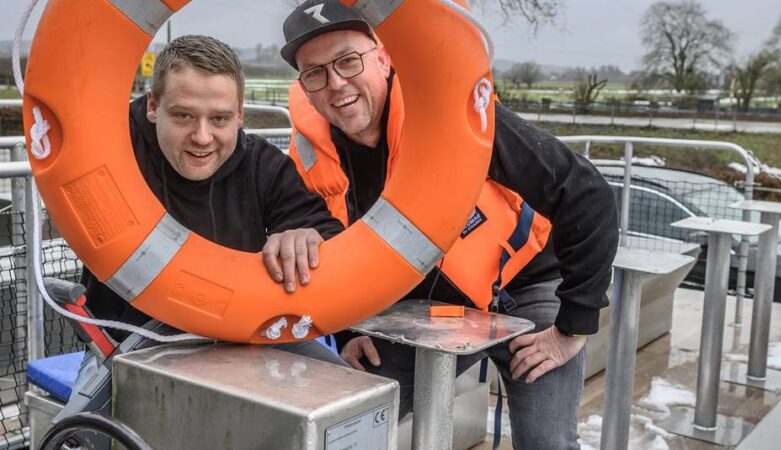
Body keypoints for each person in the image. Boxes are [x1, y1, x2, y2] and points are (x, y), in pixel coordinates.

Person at [279, 2, 619, 449]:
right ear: (304, 87)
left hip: (530, 290)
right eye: (315, 73)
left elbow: (587, 193)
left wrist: (572, 327)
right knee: (344, 424)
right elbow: (328, 257)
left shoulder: (454, 118)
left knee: (547, 442)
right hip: (424, 312)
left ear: (383, 57)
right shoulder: (308, 160)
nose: (336, 84)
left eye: (347, 60)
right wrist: (348, 330)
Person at [66, 35, 347, 445]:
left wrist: (305, 236)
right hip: (125, 353)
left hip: (239, 349)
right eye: (182, 116)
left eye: (218, 119)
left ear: (239, 117)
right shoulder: (111, 146)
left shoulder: (263, 167)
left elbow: (324, 230)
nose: (201, 137)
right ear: (151, 107)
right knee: (73, 438)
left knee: (345, 402)